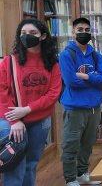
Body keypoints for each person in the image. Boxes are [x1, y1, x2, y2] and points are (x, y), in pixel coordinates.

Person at [0, 19, 61, 186]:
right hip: (14, 123)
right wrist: (15, 120)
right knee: (14, 166)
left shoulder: (52, 63)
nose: (27, 36)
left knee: (32, 164)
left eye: (32, 33)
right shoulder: (9, 61)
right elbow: (2, 92)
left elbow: (53, 93)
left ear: (42, 36)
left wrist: (27, 109)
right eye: (23, 33)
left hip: (40, 122)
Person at [59, 17, 102, 186]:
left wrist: (86, 76)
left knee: (87, 144)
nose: (84, 33)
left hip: (94, 107)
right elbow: (71, 81)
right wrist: (93, 79)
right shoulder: (67, 55)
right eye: (80, 30)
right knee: (71, 144)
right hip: (75, 108)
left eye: (87, 30)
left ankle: (82, 173)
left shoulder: (96, 55)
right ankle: (70, 178)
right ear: (73, 32)